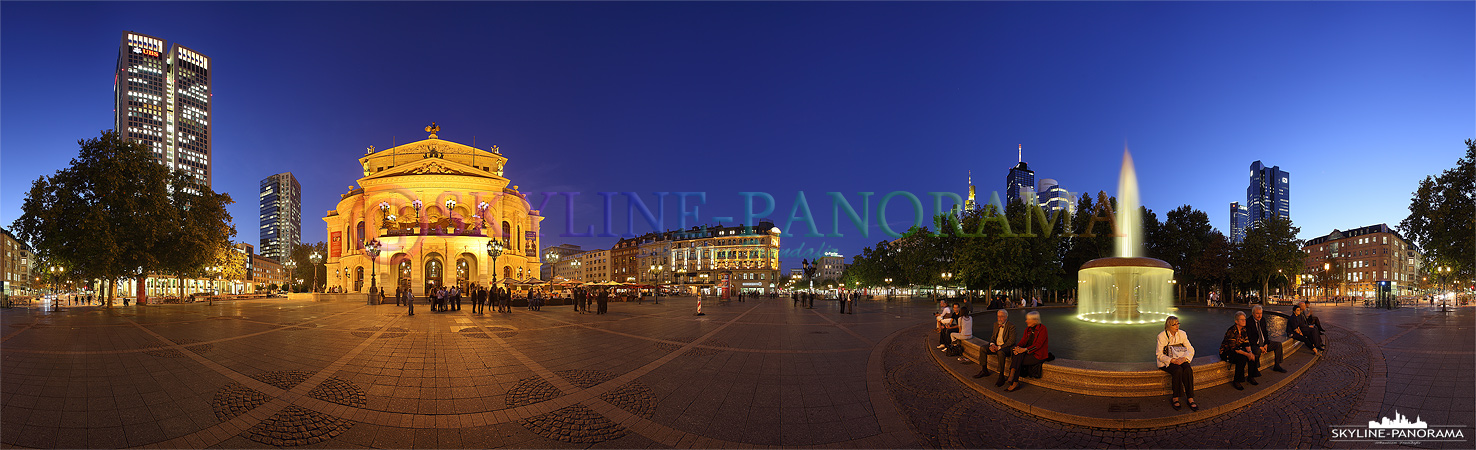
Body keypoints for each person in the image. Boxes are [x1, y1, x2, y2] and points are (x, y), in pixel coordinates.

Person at [1156, 316, 1198, 411]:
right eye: (1174, 324)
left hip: (1180, 358)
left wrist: (1184, 358)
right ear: (1168, 326)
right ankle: (1175, 397)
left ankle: (1190, 397)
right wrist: (1172, 360)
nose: (1177, 326)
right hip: (1167, 361)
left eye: (1178, 323)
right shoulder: (1162, 336)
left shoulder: (1182, 334)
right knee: (1178, 370)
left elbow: (1190, 348)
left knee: (1187, 369)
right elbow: (1159, 354)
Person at [1003, 311, 1049, 392]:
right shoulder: (1027, 329)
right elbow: (1023, 341)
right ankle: (1014, 380)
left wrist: (1023, 349)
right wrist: (1017, 348)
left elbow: (1038, 344)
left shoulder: (1043, 329)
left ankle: (1013, 376)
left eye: (1028, 319)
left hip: (1038, 355)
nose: (1026, 321)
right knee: (1017, 354)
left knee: (1018, 358)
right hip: (1028, 352)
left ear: (1035, 320)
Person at [973, 309, 1017, 387]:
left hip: (1006, 347)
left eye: (1001, 316)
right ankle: (984, 370)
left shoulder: (1011, 326)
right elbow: (993, 337)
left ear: (1006, 317)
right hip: (996, 345)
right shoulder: (996, 324)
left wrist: (999, 347)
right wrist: (992, 345)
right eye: (998, 316)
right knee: (983, 348)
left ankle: (1001, 375)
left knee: (1000, 352)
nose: (999, 318)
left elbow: (1011, 341)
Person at [1219, 311, 1257, 390]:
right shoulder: (1231, 331)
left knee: (1253, 355)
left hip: (1237, 350)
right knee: (1242, 358)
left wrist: (1250, 352)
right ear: (1236, 321)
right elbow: (1233, 348)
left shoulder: (1243, 330)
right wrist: (1247, 354)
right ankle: (1236, 380)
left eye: (1244, 319)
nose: (1244, 321)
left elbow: (1246, 343)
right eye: (1242, 320)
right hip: (1226, 352)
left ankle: (1250, 376)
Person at [1247, 305, 1287, 374]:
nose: (1259, 315)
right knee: (1257, 351)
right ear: (1253, 313)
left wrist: (1266, 344)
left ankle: (1277, 365)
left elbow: (1265, 333)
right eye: (1257, 313)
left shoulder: (1263, 320)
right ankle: (1255, 369)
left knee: (1278, 344)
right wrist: (1260, 347)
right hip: (1255, 344)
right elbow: (1250, 338)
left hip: (1263, 343)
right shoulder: (1249, 322)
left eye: (1261, 313)